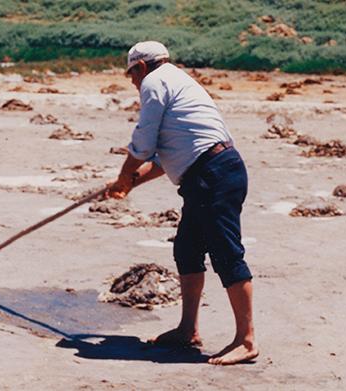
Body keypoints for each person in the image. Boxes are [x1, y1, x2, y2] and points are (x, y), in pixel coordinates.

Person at [107, 41, 258, 365]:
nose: (133, 82)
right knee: (187, 250)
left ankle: (246, 340)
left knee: (226, 254)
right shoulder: (177, 81)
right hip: (209, 174)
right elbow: (165, 159)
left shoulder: (154, 83)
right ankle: (188, 330)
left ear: (141, 67)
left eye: (131, 74)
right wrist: (129, 184)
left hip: (214, 174)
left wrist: (124, 176)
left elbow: (143, 143)